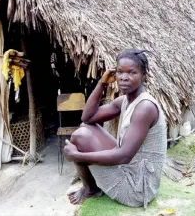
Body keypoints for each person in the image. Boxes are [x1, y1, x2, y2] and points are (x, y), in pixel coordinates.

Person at [63, 49, 167, 208]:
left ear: (144, 76)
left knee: (80, 136)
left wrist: (77, 156)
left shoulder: (145, 107)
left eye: (132, 73)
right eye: (120, 72)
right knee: (85, 127)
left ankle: (91, 189)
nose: (124, 77)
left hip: (136, 189)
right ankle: (93, 187)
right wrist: (102, 83)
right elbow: (88, 118)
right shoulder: (125, 100)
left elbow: (124, 156)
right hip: (127, 168)